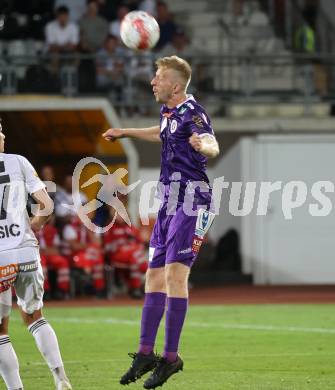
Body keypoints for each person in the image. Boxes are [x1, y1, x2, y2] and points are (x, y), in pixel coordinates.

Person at [102, 55, 219, 388]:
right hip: (169, 203)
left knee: (174, 276)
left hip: (193, 201)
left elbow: (211, 140)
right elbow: (162, 132)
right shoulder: (170, 113)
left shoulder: (194, 113)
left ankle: (170, 358)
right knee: (152, 276)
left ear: (176, 85)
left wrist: (205, 146)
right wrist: (126, 132)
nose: (153, 82)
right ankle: (145, 352)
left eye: (158, 77)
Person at [0, 124, 72, 389]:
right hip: (25, 250)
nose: (4, 135)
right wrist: (36, 222)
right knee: (35, 317)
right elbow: (47, 205)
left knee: (0, 332)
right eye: (0, 131)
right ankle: (60, 377)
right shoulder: (18, 162)